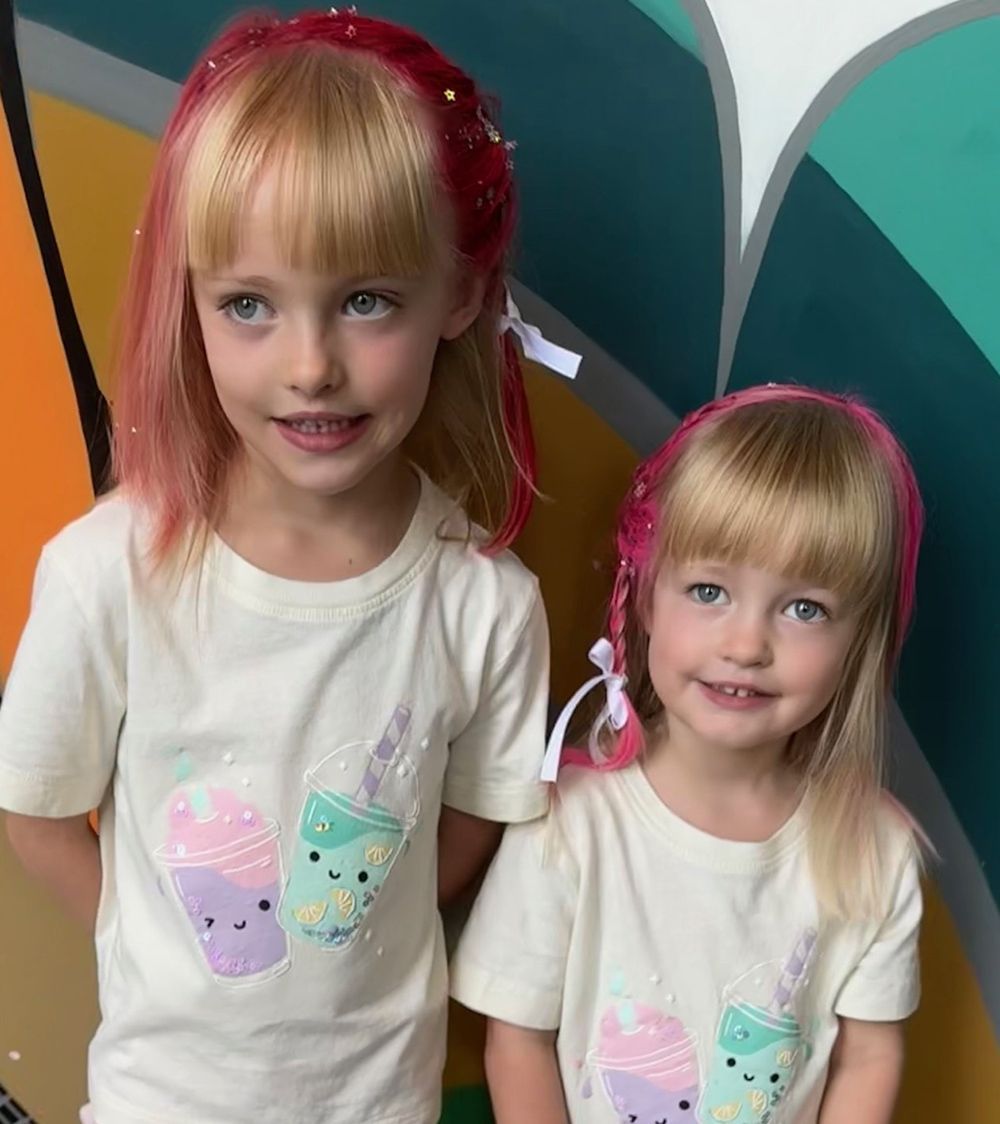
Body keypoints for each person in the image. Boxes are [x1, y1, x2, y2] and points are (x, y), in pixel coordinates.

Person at [0, 10, 576, 1122]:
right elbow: (34, 813)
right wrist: (162, 935)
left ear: (456, 293)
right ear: (195, 304)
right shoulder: (105, 573)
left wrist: (341, 932)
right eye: (250, 305)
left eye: (366, 300)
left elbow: (467, 822)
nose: (310, 366)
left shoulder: (484, 603)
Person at [452, 384, 926, 1124]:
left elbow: (870, 1055)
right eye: (708, 590)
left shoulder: (875, 854)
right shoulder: (570, 826)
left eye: (805, 609)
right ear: (643, 600)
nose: (745, 646)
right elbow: (516, 1040)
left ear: (856, 645)